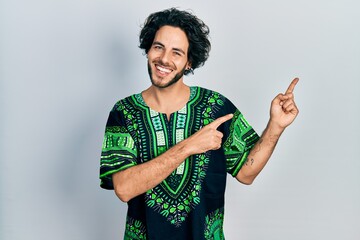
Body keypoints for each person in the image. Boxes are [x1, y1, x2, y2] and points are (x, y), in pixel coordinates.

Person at [99, 8, 299, 240]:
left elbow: (246, 173)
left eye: (176, 52)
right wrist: (190, 145)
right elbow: (124, 188)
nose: (164, 59)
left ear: (189, 62)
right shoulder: (124, 112)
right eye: (158, 47)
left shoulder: (216, 107)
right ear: (148, 49)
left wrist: (276, 126)